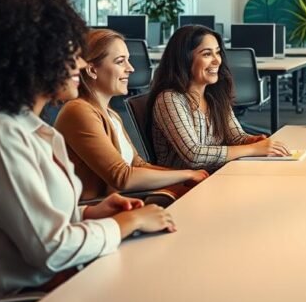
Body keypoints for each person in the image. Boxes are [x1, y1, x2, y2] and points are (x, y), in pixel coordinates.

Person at [0, 0, 175, 302]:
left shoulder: (28, 128)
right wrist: (128, 221)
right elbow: (51, 250)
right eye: (70, 51)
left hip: (47, 289)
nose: (80, 63)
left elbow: (30, 222)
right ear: (32, 58)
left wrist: (89, 214)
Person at [54, 29, 209, 202]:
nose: (131, 68)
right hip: (99, 209)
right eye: (121, 62)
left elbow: (138, 164)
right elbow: (122, 177)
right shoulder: (78, 111)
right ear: (92, 70)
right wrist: (186, 175)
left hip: (124, 199)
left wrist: (189, 178)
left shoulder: (111, 114)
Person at [148, 24, 290, 171]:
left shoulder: (213, 95)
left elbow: (235, 137)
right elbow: (194, 155)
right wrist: (254, 149)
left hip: (215, 175)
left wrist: (251, 140)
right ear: (184, 59)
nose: (217, 61)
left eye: (217, 52)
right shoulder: (170, 99)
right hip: (184, 186)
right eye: (207, 54)